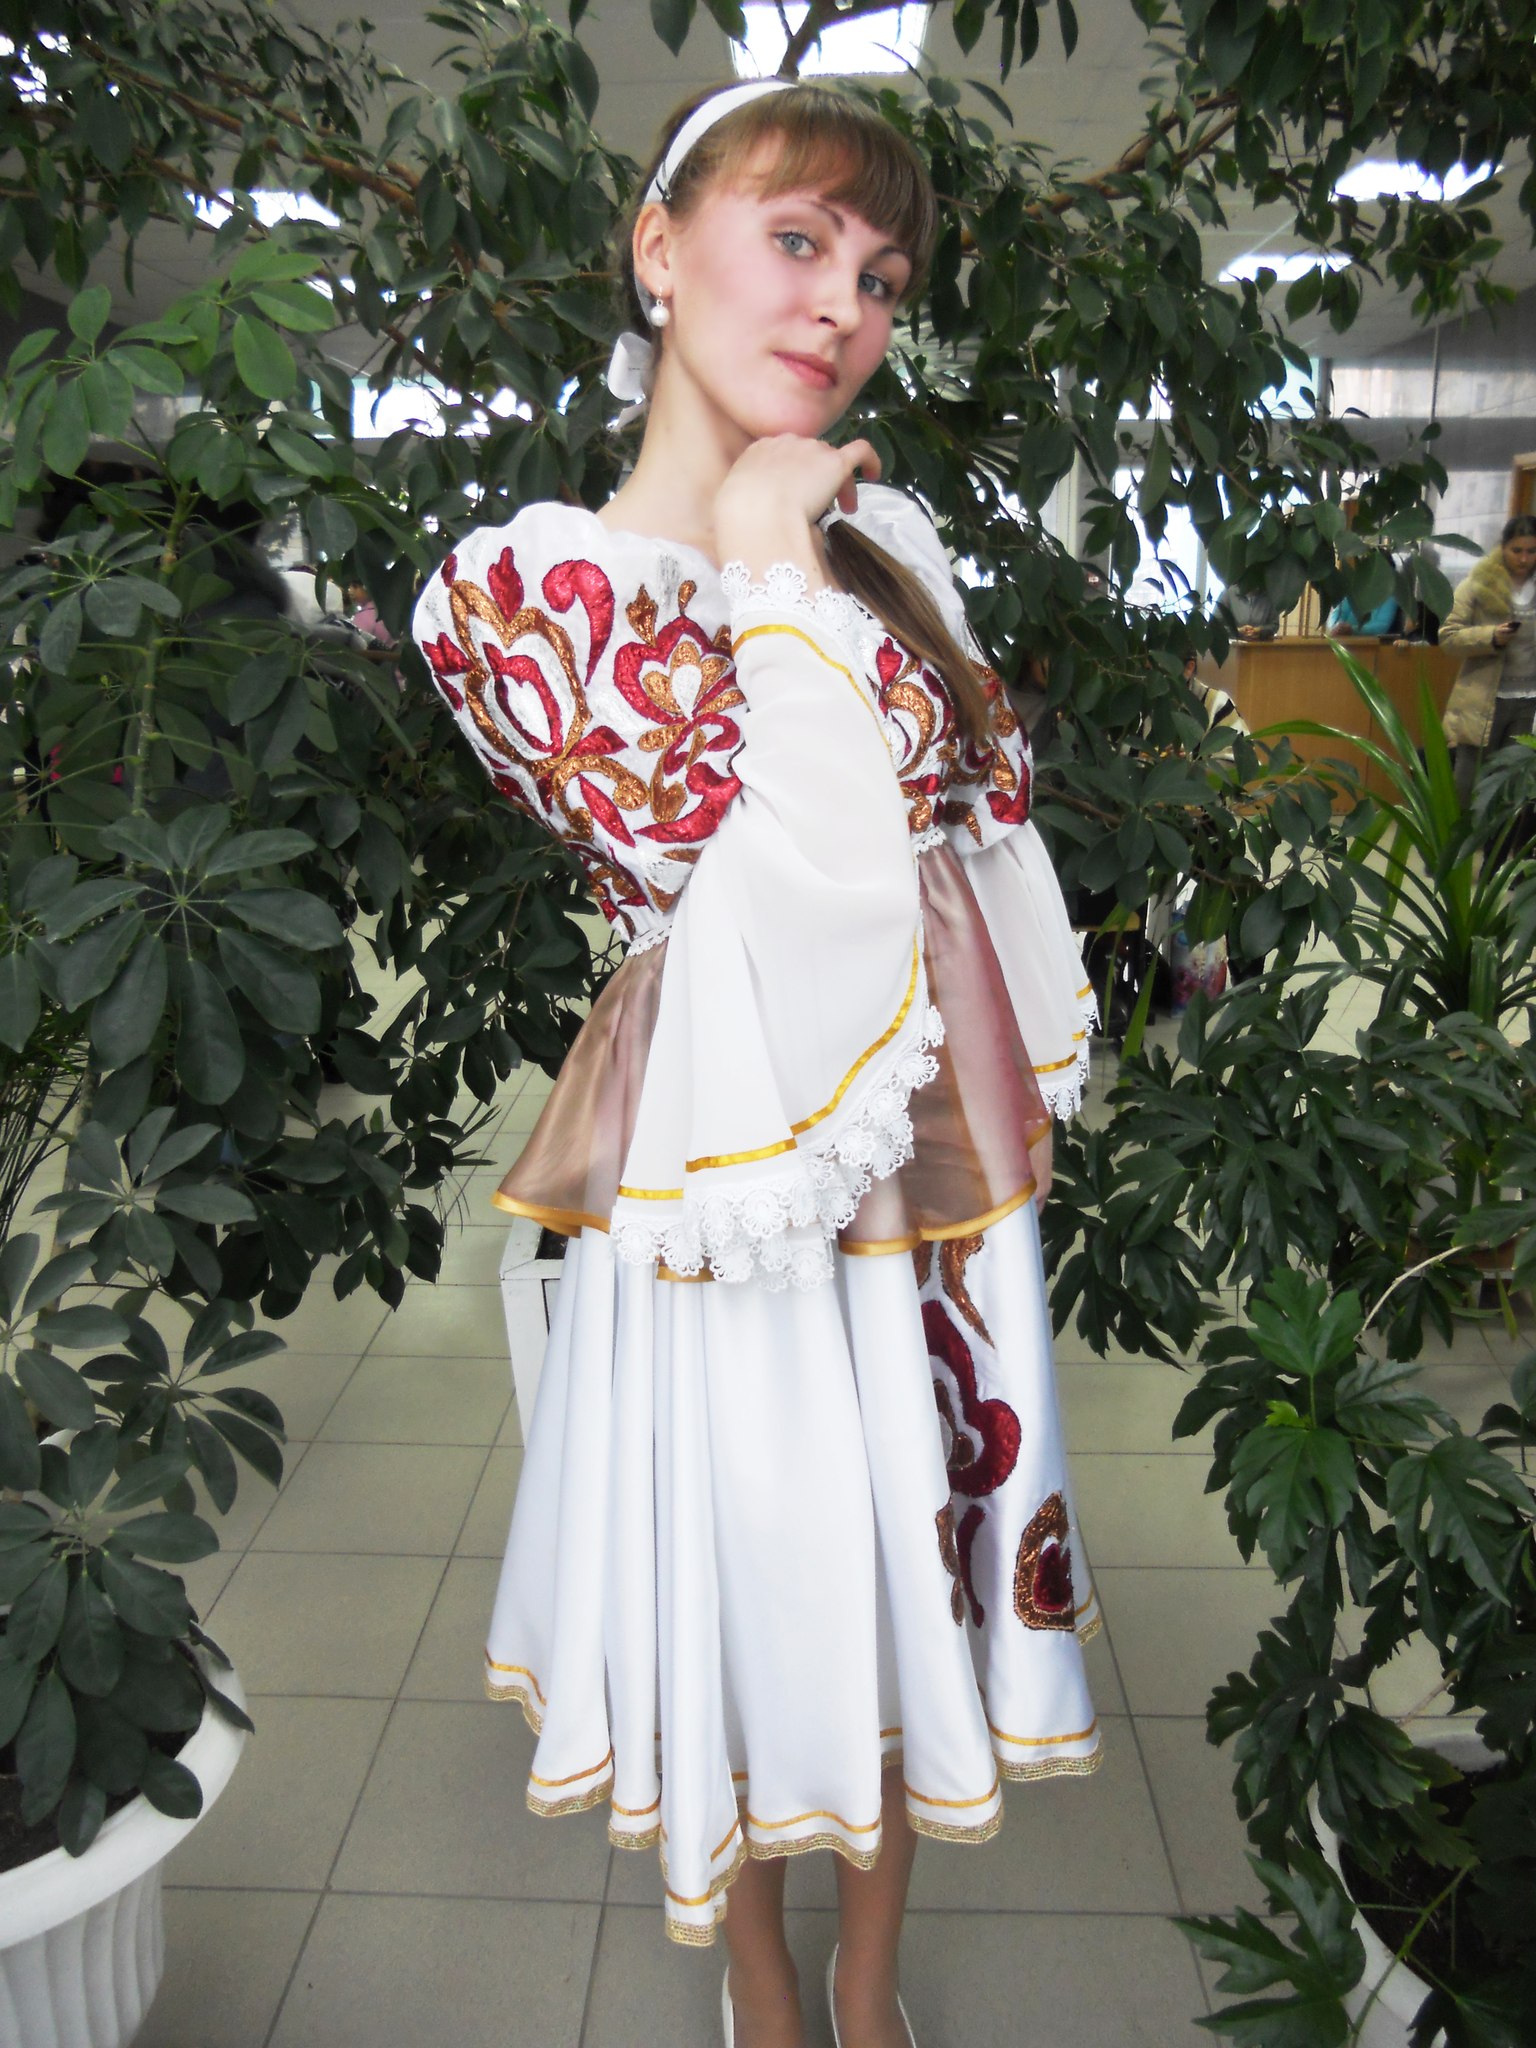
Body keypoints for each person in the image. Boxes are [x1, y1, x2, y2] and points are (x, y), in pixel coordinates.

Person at [413, 79, 1099, 2048]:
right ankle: (770, 1979)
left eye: (878, 277)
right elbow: (778, 877)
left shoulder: (883, 535)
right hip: (740, 1175)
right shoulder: (531, 592)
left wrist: (1037, 1072)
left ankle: (866, 1985)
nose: (841, 308)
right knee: (763, 1576)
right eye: (796, 241)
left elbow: (981, 823)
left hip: (933, 1163)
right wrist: (765, 557)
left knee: (905, 1578)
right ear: (658, 250)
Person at [1439, 513, 1536, 808]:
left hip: (1528, 700)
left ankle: (1497, 839)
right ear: (1503, 547)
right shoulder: (1478, 584)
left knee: (1510, 784)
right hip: (1484, 697)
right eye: (1517, 550)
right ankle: (1458, 836)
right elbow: (1448, 636)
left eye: (1532, 551)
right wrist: (1490, 637)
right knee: (1467, 782)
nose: (1524, 559)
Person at [1213, 582, 1278, 640]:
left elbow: (1274, 625)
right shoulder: (1228, 593)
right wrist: (1237, 631)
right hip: (1234, 645)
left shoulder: (1269, 594)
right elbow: (1215, 625)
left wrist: (1260, 631)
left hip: (1260, 646)